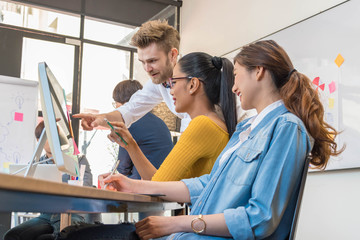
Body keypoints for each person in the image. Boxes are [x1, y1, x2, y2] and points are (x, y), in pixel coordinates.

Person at [59, 40, 343, 240]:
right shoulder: (247, 128)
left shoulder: (285, 128)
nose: (233, 87)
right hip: (188, 234)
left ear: (259, 72)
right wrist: (134, 184)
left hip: (194, 235)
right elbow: (207, 185)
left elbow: (260, 219)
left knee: (72, 235)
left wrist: (173, 224)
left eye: (238, 76)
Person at [73, 20, 244, 134]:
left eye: (153, 61)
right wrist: (100, 119)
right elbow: (131, 109)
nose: (147, 68)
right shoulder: (159, 81)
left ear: (172, 54)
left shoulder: (204, 74)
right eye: (142, 62)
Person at [108, 52, 237, 181]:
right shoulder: (213, 123)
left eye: (173, 82)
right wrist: (130, 145)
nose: (170, 91)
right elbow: (161, 182)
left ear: (193, 84)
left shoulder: (202, 125)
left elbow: (159, 185)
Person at [3, 121, 94, 240]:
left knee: (56, 237)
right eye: (47, 138)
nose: (52, 141)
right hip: (46, 215)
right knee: (12, 236)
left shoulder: (78, 160)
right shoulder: (36, 164)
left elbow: (86, 189)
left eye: (55, 137)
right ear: (38, 140)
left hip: (73, 213)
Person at [112, 79, 173, 179]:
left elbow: (123, 167)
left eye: (116, 102)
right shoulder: (161, 123)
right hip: (166, 182)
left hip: (143, 184)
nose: (115, 107)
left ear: (124, 103)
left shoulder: (129, 123)